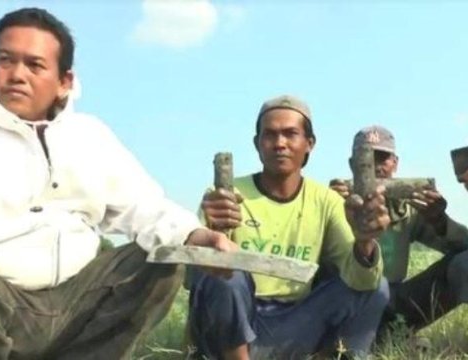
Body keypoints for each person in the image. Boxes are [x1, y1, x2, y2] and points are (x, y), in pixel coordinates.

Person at [0, 8, 234, 359]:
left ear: (65, 82)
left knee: (160, 260)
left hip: (79, 301)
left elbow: (145, 207)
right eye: (5, 60)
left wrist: (196, 235)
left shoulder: (90, 134)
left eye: (34, 65)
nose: (16, 74)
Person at [188, 95, 391, 360]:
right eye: (270, 135)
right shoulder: (226, 196)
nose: (279, 144)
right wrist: (214, 233)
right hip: (231, 326)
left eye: (290, 134)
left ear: (309, 144)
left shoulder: (326, 201)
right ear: (257, 144)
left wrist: (365, 243)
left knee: (376, 287)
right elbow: (191, 280)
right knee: (226, 272)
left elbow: (360, 281)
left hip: (293, 323)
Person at [330, 125, 468, 339]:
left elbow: (463, 246)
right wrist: (331, 208)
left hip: (394, 302)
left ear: (395, 164)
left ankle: (392, 332)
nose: (375, 167)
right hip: (346, 302)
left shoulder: (408, 209)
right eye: (365, 160)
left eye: (382, 159)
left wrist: (439, 220)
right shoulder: (332, 202)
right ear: (352, 164)